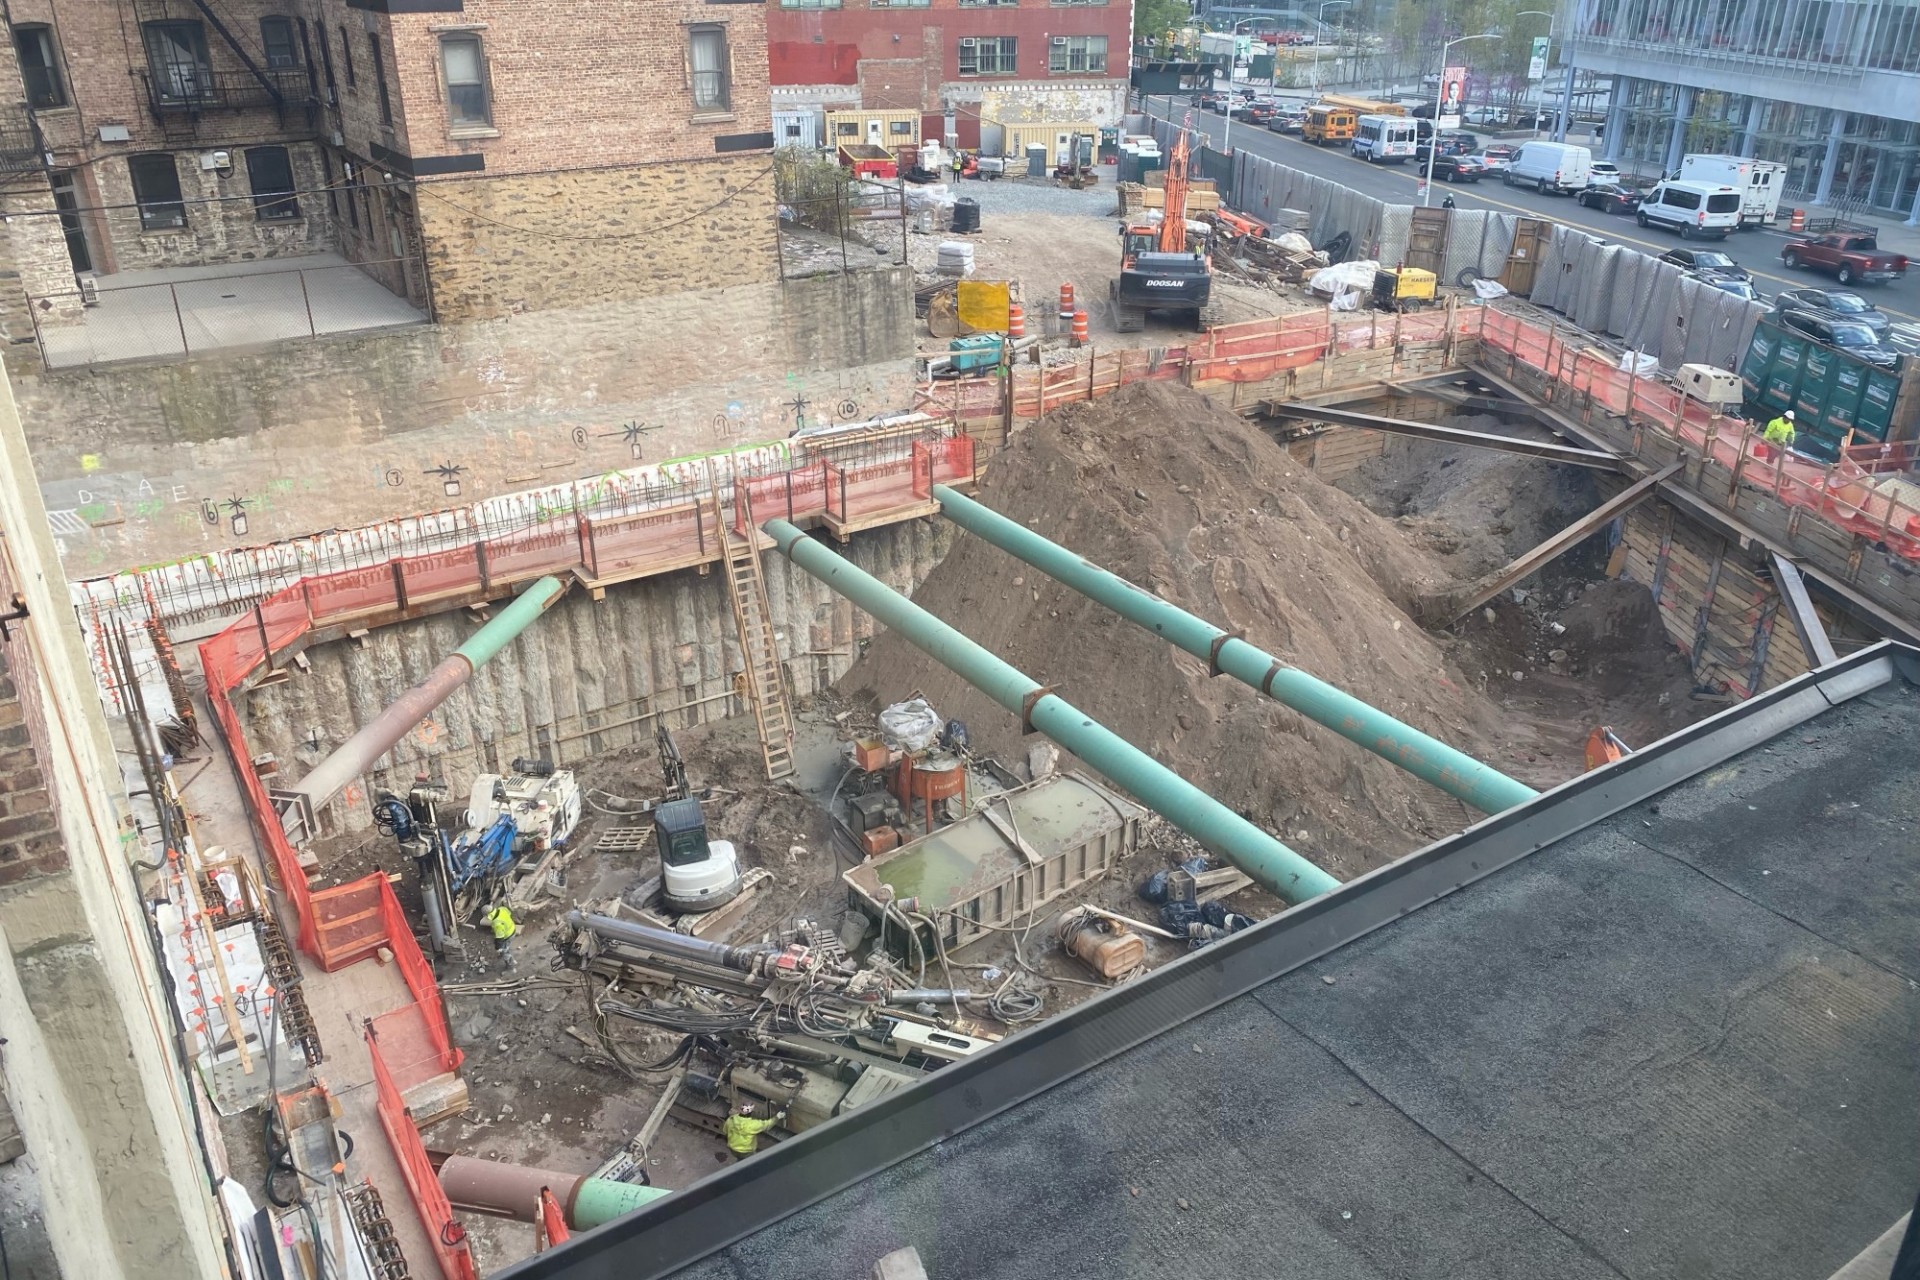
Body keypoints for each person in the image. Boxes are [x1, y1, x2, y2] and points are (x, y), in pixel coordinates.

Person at [485, 902, 517, 971]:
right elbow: (509, 913)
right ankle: (506, 955)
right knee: (506, 947)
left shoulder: (497, 924)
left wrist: (498, 948)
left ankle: (510, 965)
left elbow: (500, 938)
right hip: (512, 928)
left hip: (507, 935)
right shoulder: (501, 909)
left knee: (504, 950)